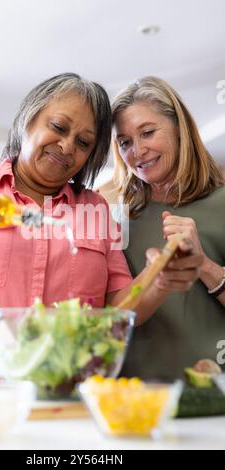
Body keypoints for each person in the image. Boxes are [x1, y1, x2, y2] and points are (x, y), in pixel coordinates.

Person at [0, 73, 201, 383]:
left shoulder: (94, 209)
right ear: (28, 120)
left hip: (64, 400)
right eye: (58, 127)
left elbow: (116, 309)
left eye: (83, 142)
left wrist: (160, 281)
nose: (67, 146)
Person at [105, 76, 225, 381]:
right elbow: (112, 315)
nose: (138, 151)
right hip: (138, 394)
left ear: (179, 128)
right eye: (125, 143)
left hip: (215, 392)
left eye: (147, 133)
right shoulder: (115, 218)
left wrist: (205, 265)